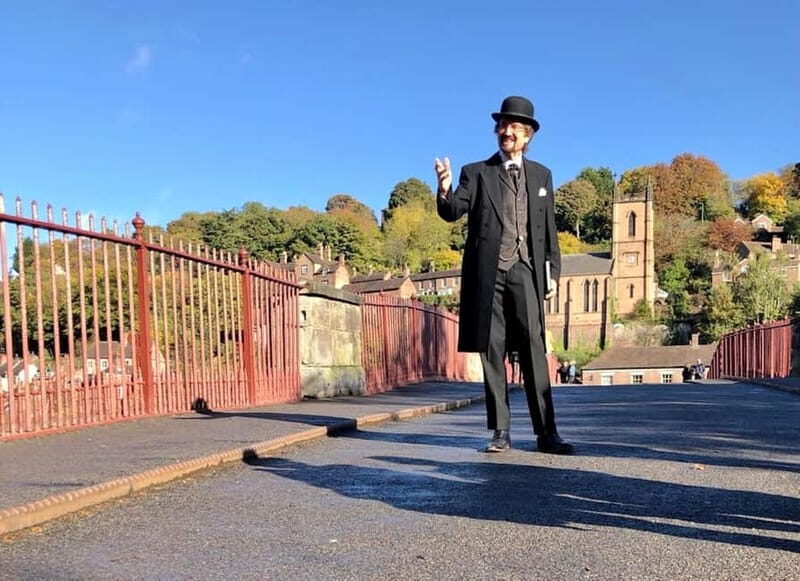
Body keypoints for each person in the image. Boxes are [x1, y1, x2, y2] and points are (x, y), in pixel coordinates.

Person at [435, 96, 573, 455]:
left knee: (533, 349)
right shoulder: (476, 172)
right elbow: (452, 212)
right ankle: (500, 431)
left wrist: (553, 272)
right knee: (492, 351)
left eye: (513, 127)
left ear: (527, 135)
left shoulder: (542, 175)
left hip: (526, 268)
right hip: (488, 272)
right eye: (502, 126)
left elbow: (549, 229)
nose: (505, 131)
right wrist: (444, 187)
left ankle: (547, 433)